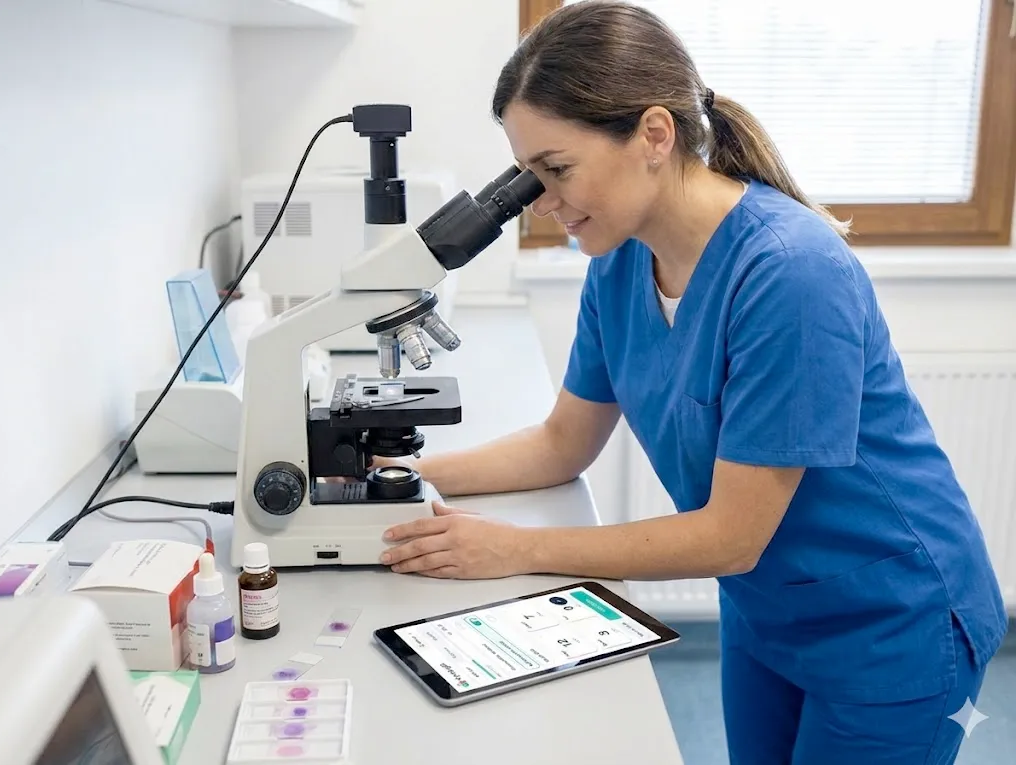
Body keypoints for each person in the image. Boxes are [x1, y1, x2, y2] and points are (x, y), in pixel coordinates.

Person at [376, 1, 1009, 762]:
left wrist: (512, 549)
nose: (540, 204)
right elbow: (561, 443)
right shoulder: (619, 260)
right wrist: (398, 477)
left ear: (654, 134)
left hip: (892, 621)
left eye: (557, 170)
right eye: (527, 177)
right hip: (766, 604)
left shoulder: (791, 272)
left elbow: (731, 535)